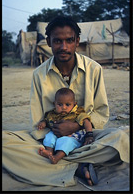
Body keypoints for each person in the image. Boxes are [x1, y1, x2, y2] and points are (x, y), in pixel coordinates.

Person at [30, 16, 109, 186]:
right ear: (48, 42)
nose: (64, 47)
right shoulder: (38, 74)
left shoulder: (94, 69)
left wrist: (77, 127)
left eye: (69, 40)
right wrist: (55, 132)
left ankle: (59, 163)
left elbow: (101, 112)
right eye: (57, 41)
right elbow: (37, 121)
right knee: (6, 143)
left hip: (88, 138)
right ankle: (78, 165)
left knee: (121, 138)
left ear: (77, 41)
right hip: (52, 139)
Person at [38, 87, 94, 165]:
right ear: (54, 104)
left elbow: (86, 121)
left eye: (67, 104)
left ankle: (57, 157)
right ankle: (49, 152)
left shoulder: (77, 113)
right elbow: (48, 120)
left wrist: (89, 134)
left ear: (74, 104)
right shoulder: (52, 114)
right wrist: (43, 123)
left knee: (65, 141)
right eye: (60, 104)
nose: (63, 107)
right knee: (49, 136)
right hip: (56, 134)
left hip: (72, 136)